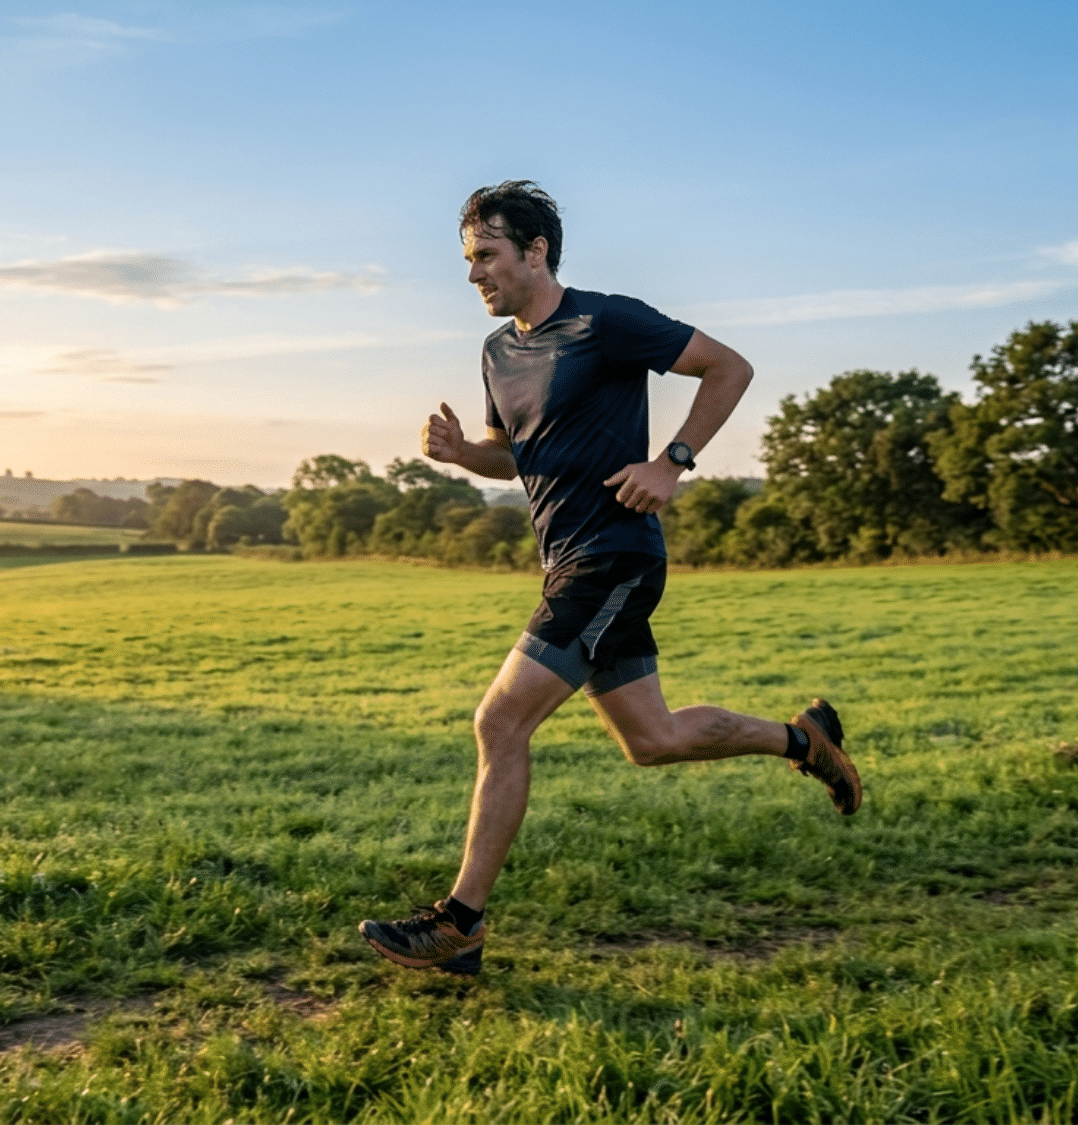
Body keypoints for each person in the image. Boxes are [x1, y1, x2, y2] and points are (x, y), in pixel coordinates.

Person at [358, 181, 861, 977]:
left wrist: (673, 463)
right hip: (567, 557)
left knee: (500, 722)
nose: (472, 275)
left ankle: (461, 923)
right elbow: (517, 455)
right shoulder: (497, 353)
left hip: (613, 554)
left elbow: (729, 368)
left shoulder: (606, 321)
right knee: (651, 741)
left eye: (485, 256)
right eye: (467, 259)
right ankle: (806, 740)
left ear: (536, 251)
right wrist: (462, 455)